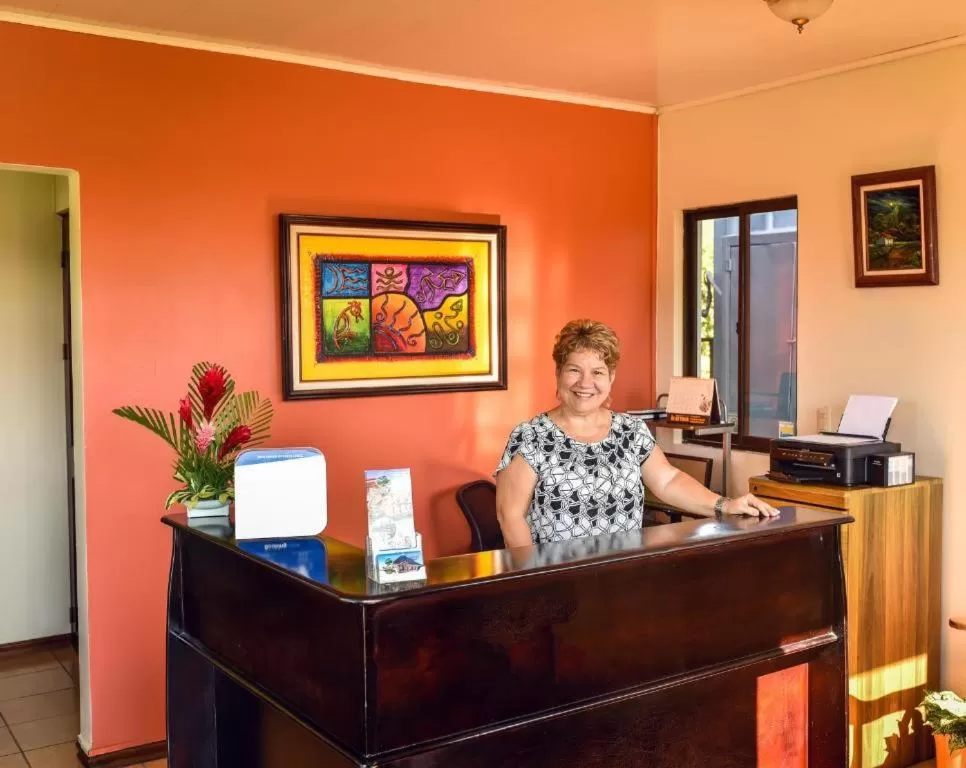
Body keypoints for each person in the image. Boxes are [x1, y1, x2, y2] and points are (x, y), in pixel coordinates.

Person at [495, 319, 779, 547]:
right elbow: (510, 517)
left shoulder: (629, 430)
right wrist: (534, 584)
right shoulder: (531, 436)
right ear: (558, 373)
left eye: (597, 372)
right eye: (574, 370)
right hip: (558, 586)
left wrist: (724, 505)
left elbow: (668, 481)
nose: (585, 383)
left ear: (611, 378)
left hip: (623, 578)